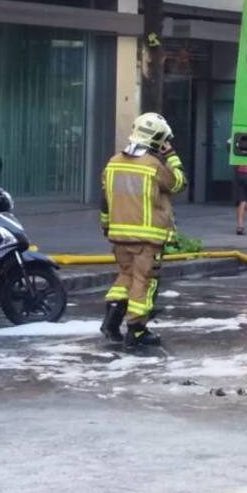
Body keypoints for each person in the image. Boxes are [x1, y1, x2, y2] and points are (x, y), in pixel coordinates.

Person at [99, 112, 186, 352]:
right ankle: (137, 331)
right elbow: (179, 183)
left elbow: (104, 200)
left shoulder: (113, 162)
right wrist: (172, 155)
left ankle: (111, 320)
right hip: (147, 238)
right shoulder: (153, 165)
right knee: (144, 282)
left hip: (119, 235)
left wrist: (106, 226)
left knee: (125, 276)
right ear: (157, 138)